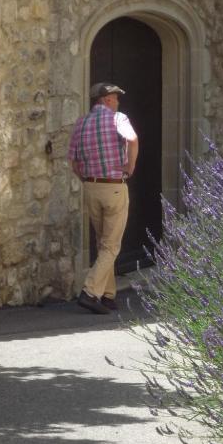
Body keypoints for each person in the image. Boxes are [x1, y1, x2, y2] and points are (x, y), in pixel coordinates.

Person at [68, 82, 139, 314]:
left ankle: (108, 295)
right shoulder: (118, 118)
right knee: (111, 245)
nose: (118, 102)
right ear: (106, 99)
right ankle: (90, 292)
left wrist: (86, 179)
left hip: (91, 187)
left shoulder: (81, 123)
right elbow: (133, 139)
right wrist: (129, 167)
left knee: (102, 242)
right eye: (115, 98)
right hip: (114, 187)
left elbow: (74, 162)